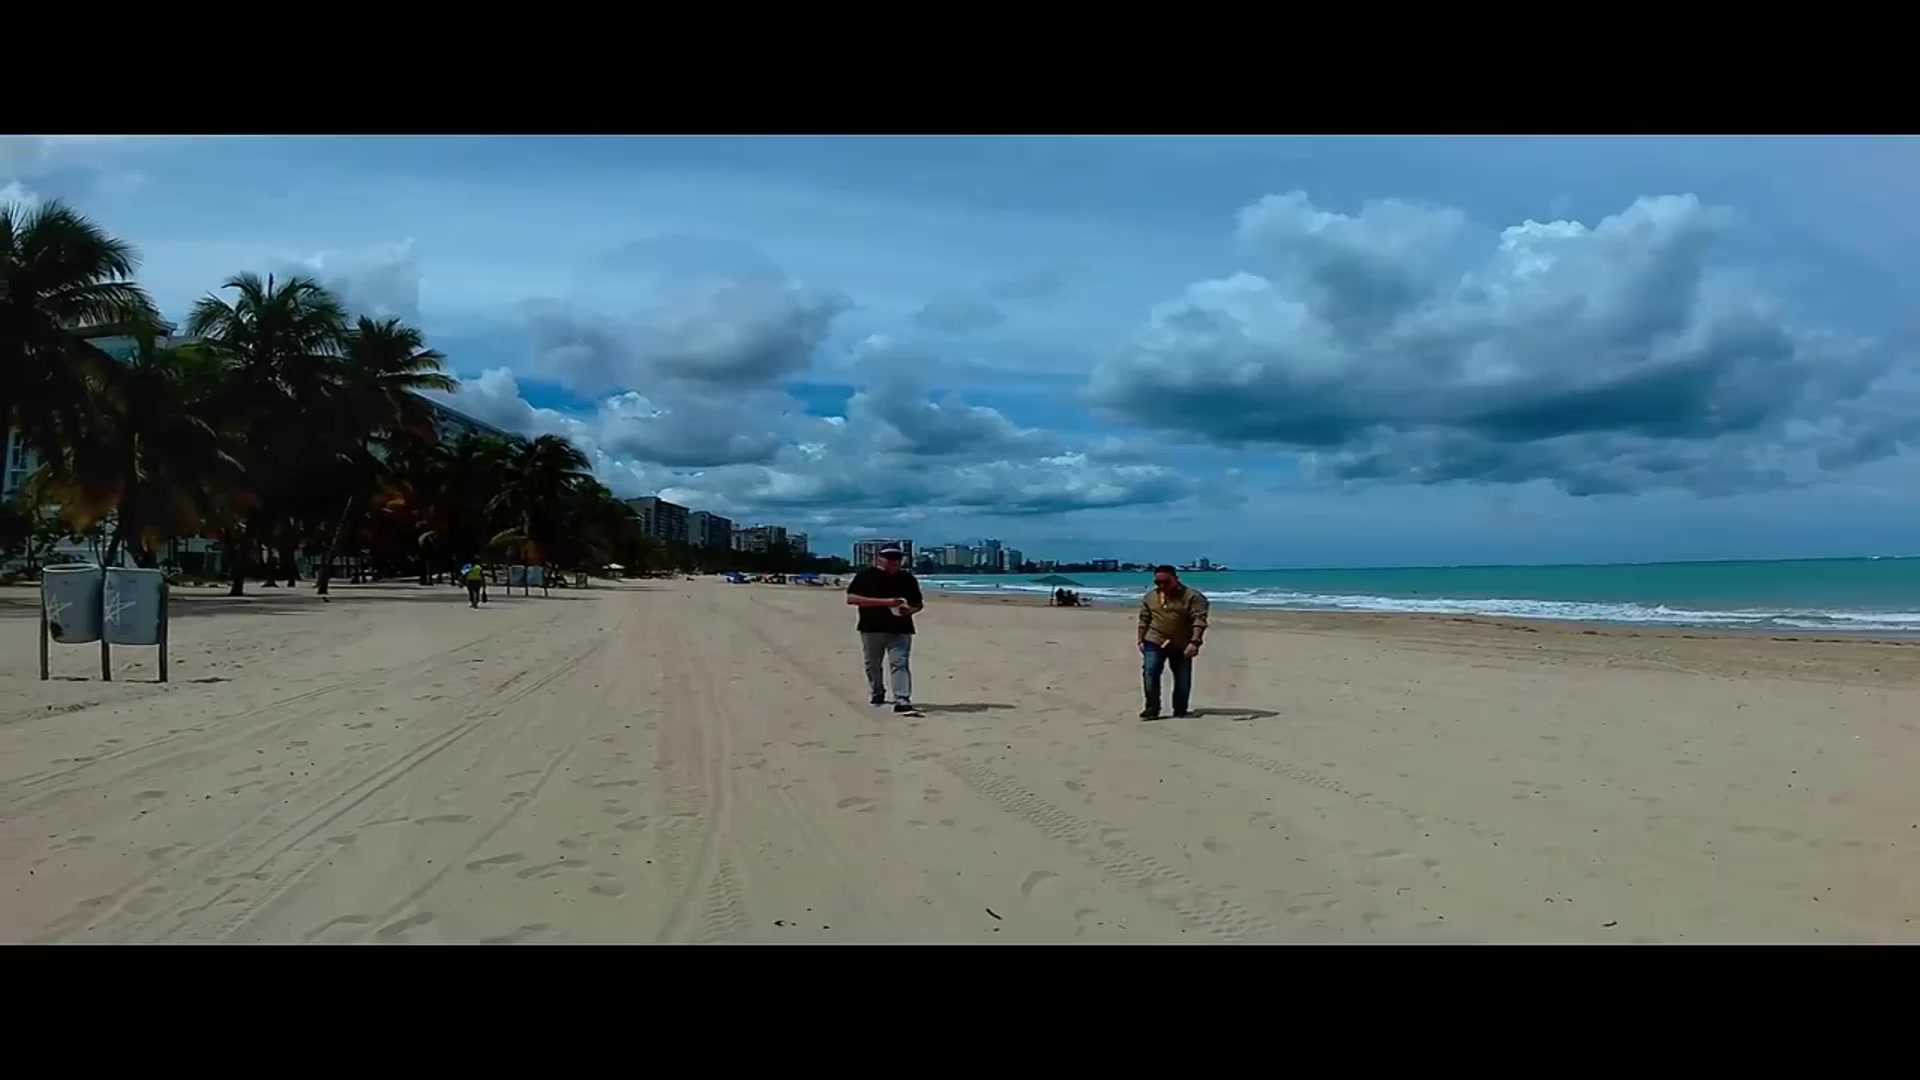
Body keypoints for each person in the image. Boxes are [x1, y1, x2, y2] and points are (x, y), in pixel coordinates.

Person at [845, 545, 924, 713]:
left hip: (901, 627)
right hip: (872, 626)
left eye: (897, 558)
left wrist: (910, 610)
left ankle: (902, 699)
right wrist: (886, 602)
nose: (893, 561)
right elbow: (851, 598)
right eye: (889, 557)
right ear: (880, 558)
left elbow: (918, 603)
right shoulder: (865, 575)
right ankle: (877, 691)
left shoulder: (907, 578)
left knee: (899, 663)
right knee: (873, 664)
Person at [1137, 565, 1209, 719]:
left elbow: (1199, 620)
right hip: (1154, 639)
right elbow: (1144, 619)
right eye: (1158, 582)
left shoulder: (1193, 597)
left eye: (1166, 581)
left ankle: (1180, 708)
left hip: (1182, 642)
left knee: (1182, 678)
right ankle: (1152, 708)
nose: (1162, 585)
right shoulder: (1150, 597)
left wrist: (1195, 642)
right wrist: (1140, 639)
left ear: (1176, 579)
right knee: (1150, 672)